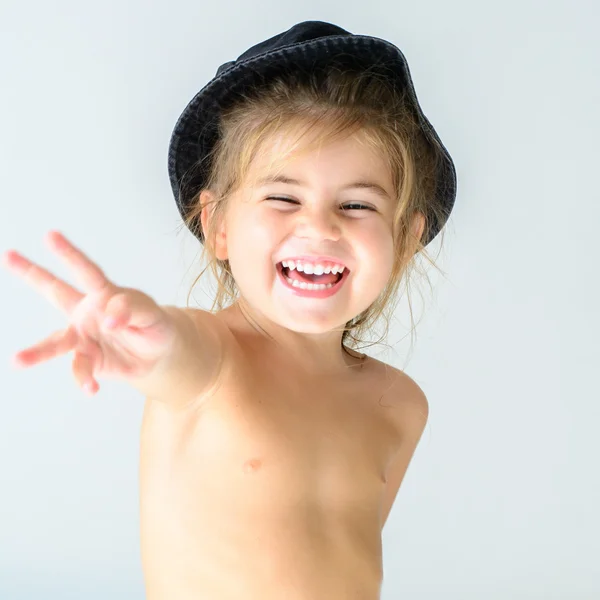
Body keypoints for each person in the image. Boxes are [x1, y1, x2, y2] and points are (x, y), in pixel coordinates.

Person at [3, 21, 457, 600]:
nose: (319, 225)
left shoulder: (401, 406)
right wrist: (139, 332)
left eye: (356, 203)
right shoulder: (213, 360)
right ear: (216, 224)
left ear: (406, 239)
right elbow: (174, 349)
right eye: (283, 197)